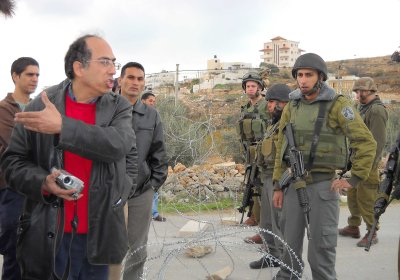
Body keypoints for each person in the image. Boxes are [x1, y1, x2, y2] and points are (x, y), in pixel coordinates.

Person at [0, 34, 137, 280]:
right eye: (105, 62)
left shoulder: (119, 107)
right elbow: (12, 163)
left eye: (114, 63)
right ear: (79, 67)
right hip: (50, 234)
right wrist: (43, 182)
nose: (113, 70)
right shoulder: (39, 107)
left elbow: (119, 145)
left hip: (99, 237)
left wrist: (62, 126)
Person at [272, 53, 376, 280]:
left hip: (322, 186)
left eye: (309, 75)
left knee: (321, 247)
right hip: (292, 184)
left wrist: (354, 178)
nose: (303, 80)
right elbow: (281, 146)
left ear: (320, 77)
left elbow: (366, 142)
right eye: (299, 75)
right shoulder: (293, 105)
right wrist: (278, 186)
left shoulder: (338, 105)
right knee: (289, 245)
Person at [117, 62, 168, 279]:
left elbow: (159, 153)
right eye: (130, 77)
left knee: (138, 250)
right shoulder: (106, 109)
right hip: (110, 192)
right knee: (109, 250)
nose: (135, 83)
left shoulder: (151, 115)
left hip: (140, 192)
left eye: (140, 79)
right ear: (120, 80)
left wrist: (153, 185)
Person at [0, 57, 39, 280]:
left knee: (36, 253)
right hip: (11, 188)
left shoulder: (39, 107)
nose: (34, 79)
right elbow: (15, 145)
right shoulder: (3, 109)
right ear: (15, 76)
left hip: (37, 188)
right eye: (29, 74)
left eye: (37, 75)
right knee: (14, 253)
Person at [339, 77, 388, 247]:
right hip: (358, 160)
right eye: (356, 91)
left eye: (361, 91)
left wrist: (371, 164)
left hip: (368, 163)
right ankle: (353, 226)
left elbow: (378, 141)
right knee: (353, 195)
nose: (358, 94)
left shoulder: (376, 111)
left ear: (371, 91)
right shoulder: (363, 108)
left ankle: (372, 231)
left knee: (366, 198)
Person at [249, 84, 290, 269]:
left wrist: (280, 182)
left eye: (272, 102)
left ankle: (285, 261)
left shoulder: (288, 125)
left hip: (278, 179)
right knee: (266, 220)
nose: (269, 106)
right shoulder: (273, 125)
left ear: (284, 103)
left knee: (278, 221)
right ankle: (272, 254)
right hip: (266, 177)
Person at [237, 71, 269, 230]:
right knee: (252, 183)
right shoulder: (245, 108)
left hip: (264, 152)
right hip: (250, 152)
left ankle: (261, 219)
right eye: (248, 86)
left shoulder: (266, 106)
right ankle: (254, 215)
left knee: (261, 185)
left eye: (253, 86)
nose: (250, 89)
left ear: (260, 88)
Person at [140, 90, 166, 222]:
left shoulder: (155, 116)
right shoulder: (136, 116)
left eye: (154, 102)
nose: (153, 103)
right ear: (143, 101)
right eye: (150, 101)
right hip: (140, 162)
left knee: (153, 188)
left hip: (152, 161)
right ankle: (147, 213)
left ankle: (154, 213)